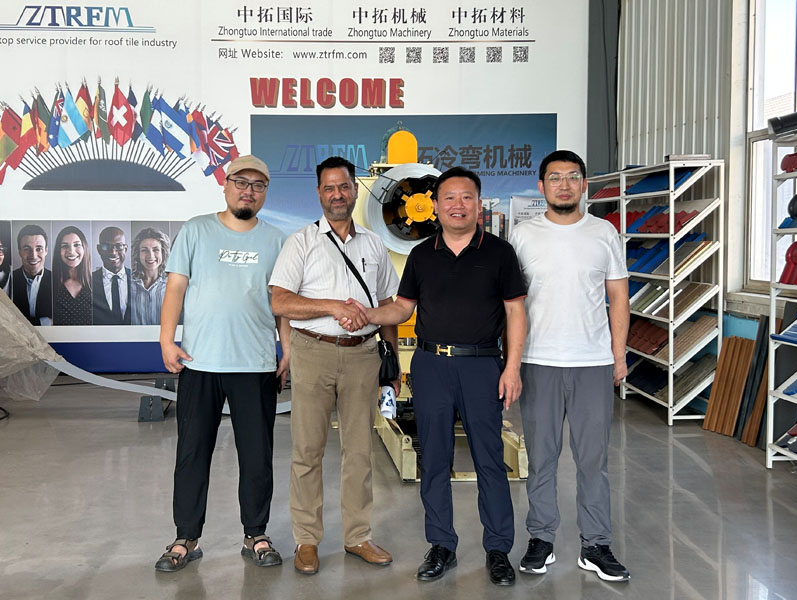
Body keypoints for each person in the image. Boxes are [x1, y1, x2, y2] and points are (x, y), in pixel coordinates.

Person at [342, 166, 527, 586]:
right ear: (436, 206)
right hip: (431, 366)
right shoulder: (422, 255)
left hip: (481, 365)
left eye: (466, 197)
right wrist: (368, 315)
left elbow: (515, 312)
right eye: (449, 198)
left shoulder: (500, 253)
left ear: (478, 205)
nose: (458, 205)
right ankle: (441, 544)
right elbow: (402, 308)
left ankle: (498, 549)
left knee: (490, 459)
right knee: (436, 459)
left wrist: (512, 368)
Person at [154, 155, 290, 573]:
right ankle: (185, 537)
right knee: (192, 453)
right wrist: (166, 339)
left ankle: (256, 534)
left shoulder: (276, 240)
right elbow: (175, 287)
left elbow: (281, 302)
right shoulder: (196, 230)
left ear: (265, 193)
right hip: (200, 362)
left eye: (258, 185)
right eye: (241, 182)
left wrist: (287, 350)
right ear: (226, 185)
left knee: (257, 455)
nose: (249, 191)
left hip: (255, 363)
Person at [269, 156, 399, 576]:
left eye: (344, 187)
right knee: (307, 450)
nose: (337, 195)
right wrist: (332, 306)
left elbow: (388, 304)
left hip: (363, 356)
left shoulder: (374, 245)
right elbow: (280, 301)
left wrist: (392, 362)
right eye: (329, 188)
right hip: (313, 351)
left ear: (355, 190)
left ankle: (358, 536)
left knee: (359, 451)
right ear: (319, 193)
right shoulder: (301, 242)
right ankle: (307, 540)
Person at [508, 150, 631, 582]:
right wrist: (511, 362)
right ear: (541, 186)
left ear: (584, 184)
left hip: (592, 363)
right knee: (541, 459)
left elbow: (619, 296)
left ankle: (595, 544)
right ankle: (541, 538)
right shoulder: (522, 235)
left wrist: (618, 355)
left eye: (573, 177)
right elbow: (511, 304)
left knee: (593, 460)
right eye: (555, 177)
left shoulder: (604, 232)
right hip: (538, 361)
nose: (564, 185)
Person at [12, 224, 52, 326]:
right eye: (27, 249)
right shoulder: (7, 281)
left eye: (39, 249)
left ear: (46, 251)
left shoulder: (59, 281)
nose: (33, 256)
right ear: (20, 252)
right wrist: (45, 322)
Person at [52, 226, 92, 325]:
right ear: (58, 251)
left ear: (84, 248)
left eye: (77, 245)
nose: (71, 251)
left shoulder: (98, 283)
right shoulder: (49, 282)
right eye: (65, 246)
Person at [92, 226, 132, 325]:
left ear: (125, 249)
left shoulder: (139, 279)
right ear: (99, 249)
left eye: (119, 246)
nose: (113, 252)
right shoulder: (87, 281)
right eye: (106, 246)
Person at [130, 227, 170, 325]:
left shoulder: (173, 285)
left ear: (163, 253)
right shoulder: (127, 285)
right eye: (144, 250)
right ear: (138, 254)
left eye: (156, 250)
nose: (150, 256)